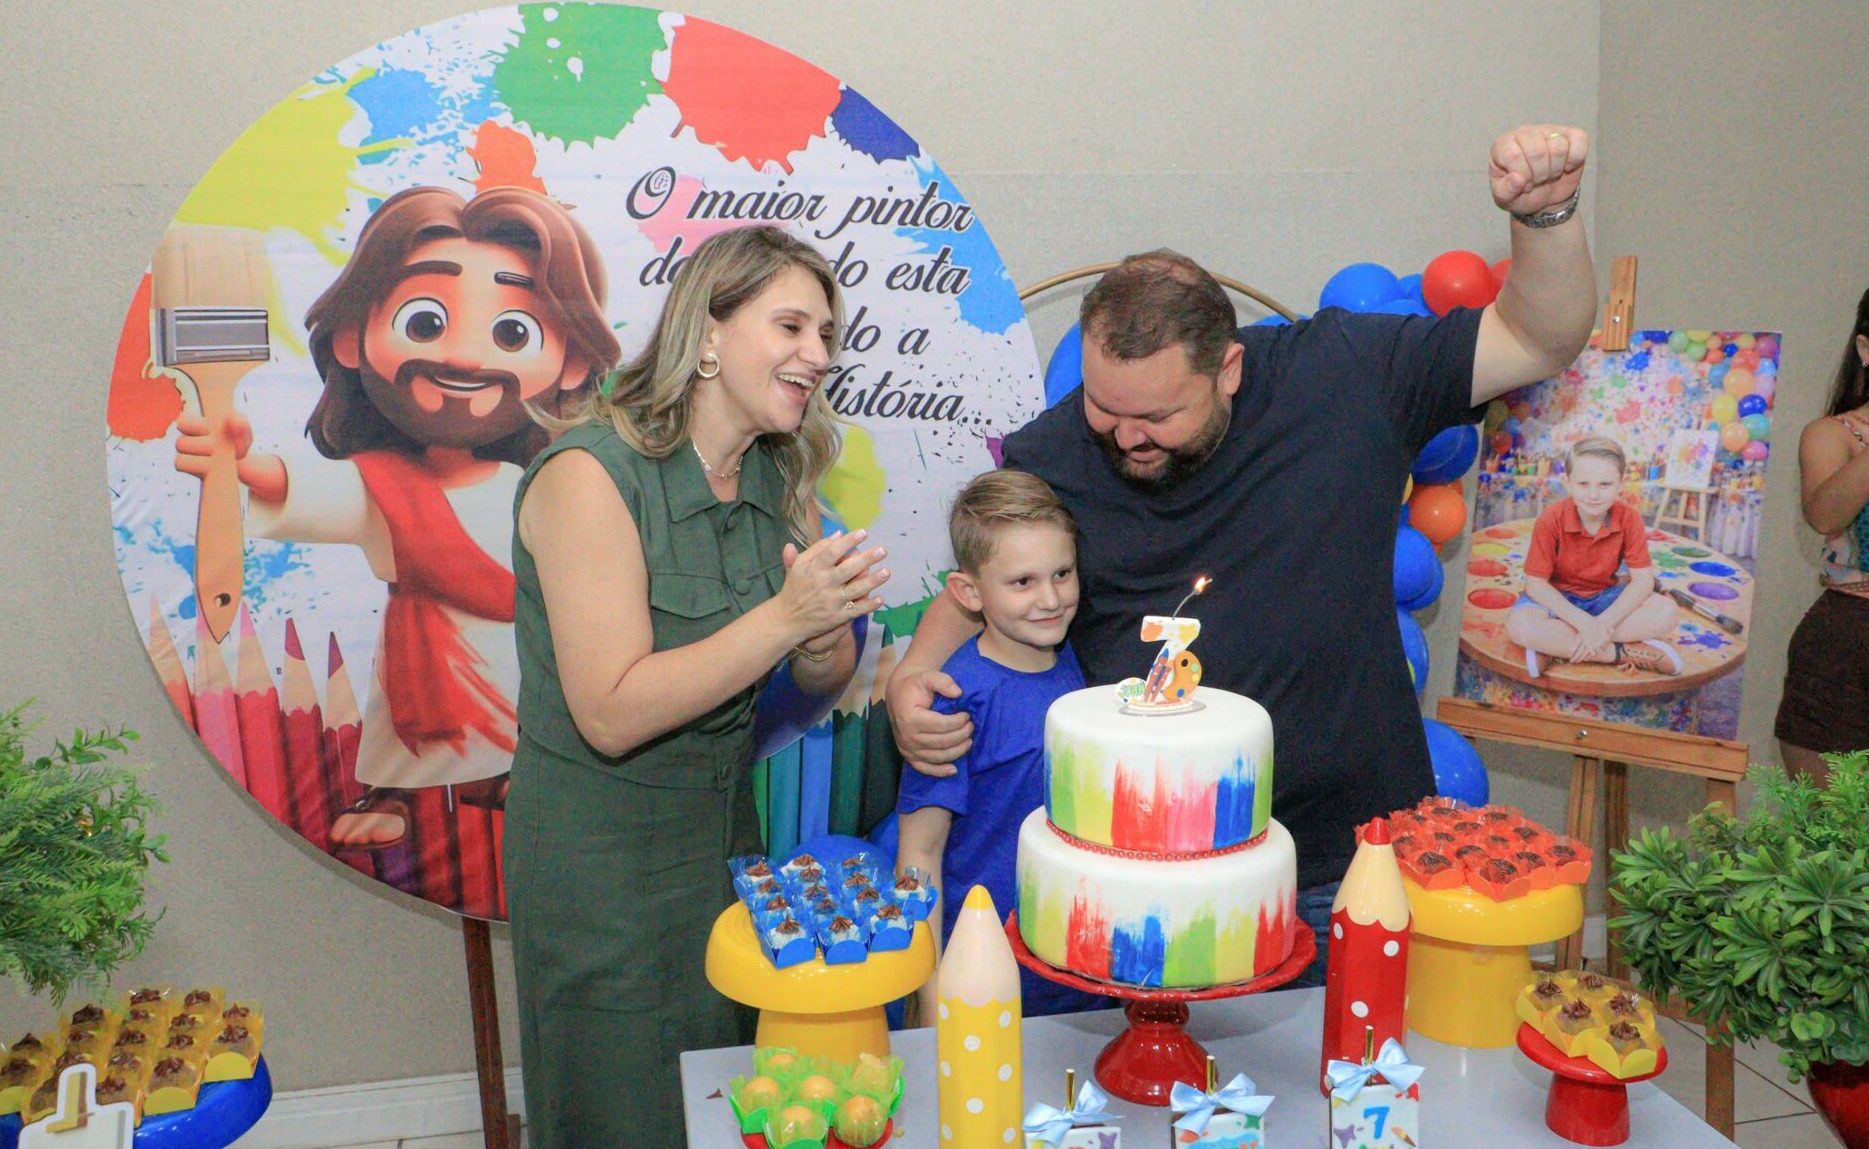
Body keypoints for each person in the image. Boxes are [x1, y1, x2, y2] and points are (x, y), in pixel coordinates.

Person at [888, 125, 1599, 987]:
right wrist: (913, 677)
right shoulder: (1053, 453)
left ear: (1228, 368)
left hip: (1353, 864)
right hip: (1151, 877)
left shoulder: (1342, 375)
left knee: (1357, 1070)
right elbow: (981, 583)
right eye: (1105, 409)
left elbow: (1538, 337)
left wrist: (1546, 215)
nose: (1126, 437)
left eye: (1158, 416)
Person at [506, 226, 889, 1148]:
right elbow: (610, 711)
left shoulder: (781, 471)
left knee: (727, 1105)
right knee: (622, 1113)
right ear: (707, 335)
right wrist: (786, 619)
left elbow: (817, 678)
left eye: (826, 335)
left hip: (725, 846)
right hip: (602, 868)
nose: (816, 355)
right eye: (790, 326)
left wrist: (824, 634)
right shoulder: (590, 476)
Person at [174, 185, 623, 853]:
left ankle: (499, 773)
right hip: (419, 652)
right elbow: (312, 487)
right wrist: (238, 461)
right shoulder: (383, 483)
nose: (464, 357)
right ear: (353, 338)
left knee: (521, 709)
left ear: (573, 360)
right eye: (425, 322)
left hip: (521, 655)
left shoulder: (546, 480)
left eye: (512, 332)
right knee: (403, 735)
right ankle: (395, 792)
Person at [895, 471, 1107, 1021]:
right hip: (984, 980)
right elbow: (920, 854)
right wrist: (929, 994)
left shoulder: (1073, 663)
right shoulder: (953, 701)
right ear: (969, 592)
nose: (1050, 599)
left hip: (1084, 974)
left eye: (1062, 573)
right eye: (1022, 582)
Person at [1774, 289, 1869, 786]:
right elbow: (1825, 514)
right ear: (1866, 349)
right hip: (1846, 647)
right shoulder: (1834, 434)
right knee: (1832, 826)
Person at [1504, 435, 1682, 679]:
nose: (1594, 494)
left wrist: (1603, 624)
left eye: (1605, 484)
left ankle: (1556, 647)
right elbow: (1536, 585)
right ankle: (1620, 652)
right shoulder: (1550, 520)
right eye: (1583, 484)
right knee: (1519, 625)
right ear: (1568, 483)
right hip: (1556, 598)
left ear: (1620, 484)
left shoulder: (1629, 519)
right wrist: (1585, 624)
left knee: (1667, 612)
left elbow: (1643, 581)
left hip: (1603, 597)